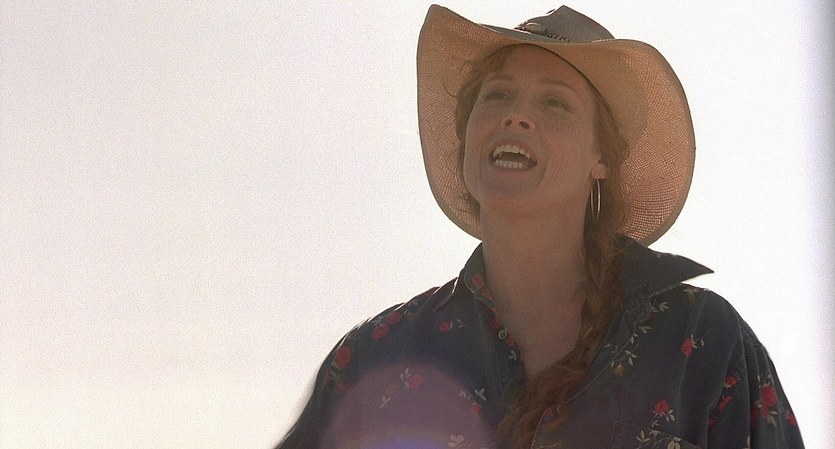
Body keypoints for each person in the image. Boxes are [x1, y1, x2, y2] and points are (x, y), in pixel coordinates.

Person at [277, 5, 804, 449]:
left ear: (601, 157)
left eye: (554, 102)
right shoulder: (376, 357)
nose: (516, 116)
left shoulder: (700, 342)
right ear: (467, 136)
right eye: (496, 96)